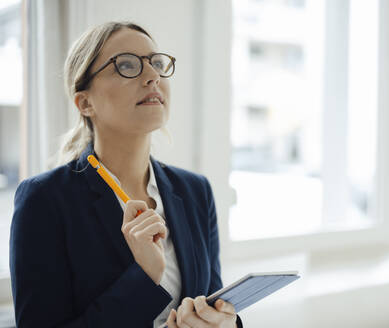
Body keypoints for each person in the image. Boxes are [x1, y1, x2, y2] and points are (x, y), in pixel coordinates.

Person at [9, 21, 243, 328]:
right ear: (85, 102)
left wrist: (223, 322)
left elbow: (212, 301)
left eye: (157, 63)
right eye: (127, 66)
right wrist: (144, 276)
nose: (152, 76)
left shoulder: (195, 191)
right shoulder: (44, 200)